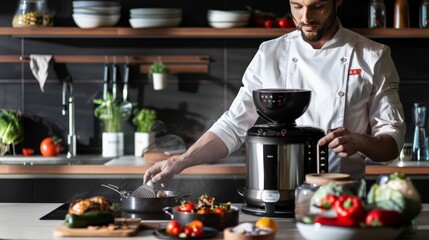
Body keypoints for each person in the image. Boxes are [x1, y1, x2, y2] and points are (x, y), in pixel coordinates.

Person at [144, 0, 405, 184]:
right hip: (278, 193)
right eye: (297, 6)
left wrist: (360, 141)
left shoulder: (373, 56)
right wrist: (180, 161)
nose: (306, 18)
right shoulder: (270, 54)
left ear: (338, 1)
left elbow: (392, 142)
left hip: (343, 199)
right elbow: (234, 125)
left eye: (318, 6)